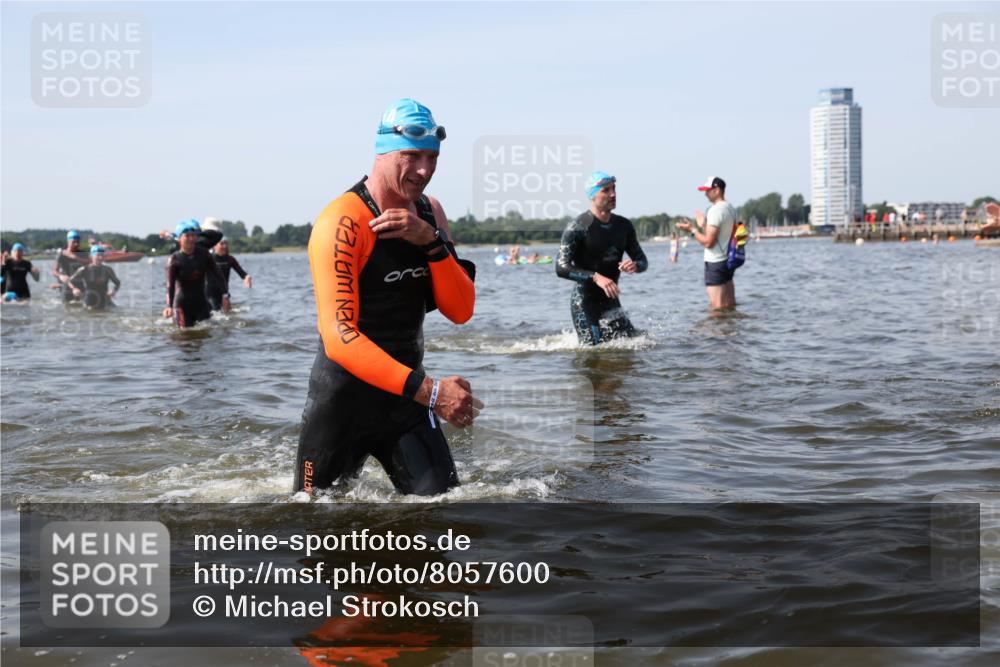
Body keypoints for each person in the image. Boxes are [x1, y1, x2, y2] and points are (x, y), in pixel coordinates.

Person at [294, 98, 479, 497]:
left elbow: (461, 310)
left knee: (447, 515)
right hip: (341, 407)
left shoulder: (431, 214)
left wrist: (431, 244)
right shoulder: (342, 221)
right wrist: (431, 391)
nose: (424, 170)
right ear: (382, 151)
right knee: (314, 529)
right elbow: (338, 335)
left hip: (405, 405)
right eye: (411, 156)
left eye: (432, 157)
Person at [555, 171, 648, 345]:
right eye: (606, 190)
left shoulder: (624, 226)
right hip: (584, 302)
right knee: (593, 351)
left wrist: (634, 265)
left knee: (638, 344)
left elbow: (643, 261)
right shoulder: (577, 227)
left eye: (614, 189)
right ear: (592, 195)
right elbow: (560, 267)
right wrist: (596, 277)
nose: (613, 194)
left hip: (610, 300)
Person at [676, 176, 739, 310]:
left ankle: (717, 331)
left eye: (708, 190)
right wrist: (703, 225)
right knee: (730, 305)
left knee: (717, 308)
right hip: (728, 260)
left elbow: (709, 242)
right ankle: (733, 329)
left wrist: (692, 230)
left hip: (715, 262)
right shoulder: (731, 208)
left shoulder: (715, 210)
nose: (705, 194)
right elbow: (720, 235)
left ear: (717, 190)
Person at [163, 220, 226, 327]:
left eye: (193, 235)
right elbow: (170, 285)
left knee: (206, 338)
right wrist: (169, 306)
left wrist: (225, 296)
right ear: (179, 239)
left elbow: (218, 274)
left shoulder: (204, 254)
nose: (191, 239)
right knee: (185, 339)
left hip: (201, 303)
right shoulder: (174, 260)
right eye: (187, 236)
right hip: (181, 305)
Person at [206, 238, 252, 312]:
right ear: (214, 246)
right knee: (216, 315)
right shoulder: (209, 258)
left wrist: (247, 277)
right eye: (221, 243)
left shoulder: (230, 259)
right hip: (209, 294)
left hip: (224, 294)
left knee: (227, 316)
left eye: (226, 243)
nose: (225, 246)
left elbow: (241, 273)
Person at [68, 246, 120, 310]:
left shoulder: (107, 270)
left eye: (102, 255)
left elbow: (117, 283)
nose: (100, 257)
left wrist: (113, 291)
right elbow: (70, 281)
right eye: (98, 255)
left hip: (104, 298)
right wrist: (74, 289)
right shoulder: (84, 269)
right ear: (91, 256)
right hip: (89, 299)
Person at [52, 230, 88, 301]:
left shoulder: (83, 254)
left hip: (80, 284)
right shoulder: (62, 255)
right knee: (67, 305)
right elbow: (54, 271)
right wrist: (60, 276)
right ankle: (60, 287)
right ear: (68, 241)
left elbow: (90, 266)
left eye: (78, 242)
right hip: (67, 285)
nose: (76, 244)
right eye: (73, 242)